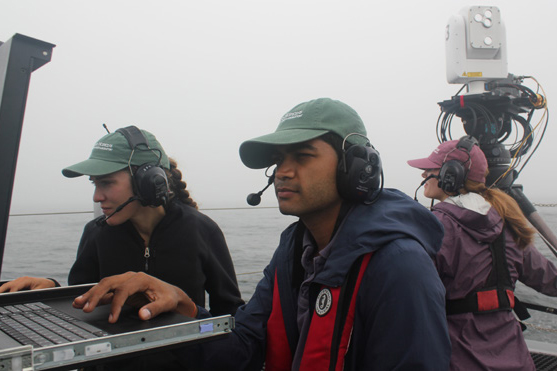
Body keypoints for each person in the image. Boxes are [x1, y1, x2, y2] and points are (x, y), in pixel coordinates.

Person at [72, 98, 451, 370]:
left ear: (357, 168)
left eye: (301, 156)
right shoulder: (292, 254)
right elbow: (242, 347)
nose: (282, 172)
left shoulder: (400, 267)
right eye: (278, 160)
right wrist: (180, 309)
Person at [0, 126, 244, 370]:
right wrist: (49, 291)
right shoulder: (96, 233)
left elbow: (230, 314)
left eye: (106, 183)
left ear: (148, 182)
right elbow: (81, 305)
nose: (97, 196)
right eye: (94, 184)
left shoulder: (201, 230)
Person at [407, 136, 557, 371]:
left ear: (451, 175)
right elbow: (550, 280)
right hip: (517, 360)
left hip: (458, 360)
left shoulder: (434, 228)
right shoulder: (508, 224)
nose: (424, 174)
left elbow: (407, 298)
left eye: (430, 169)